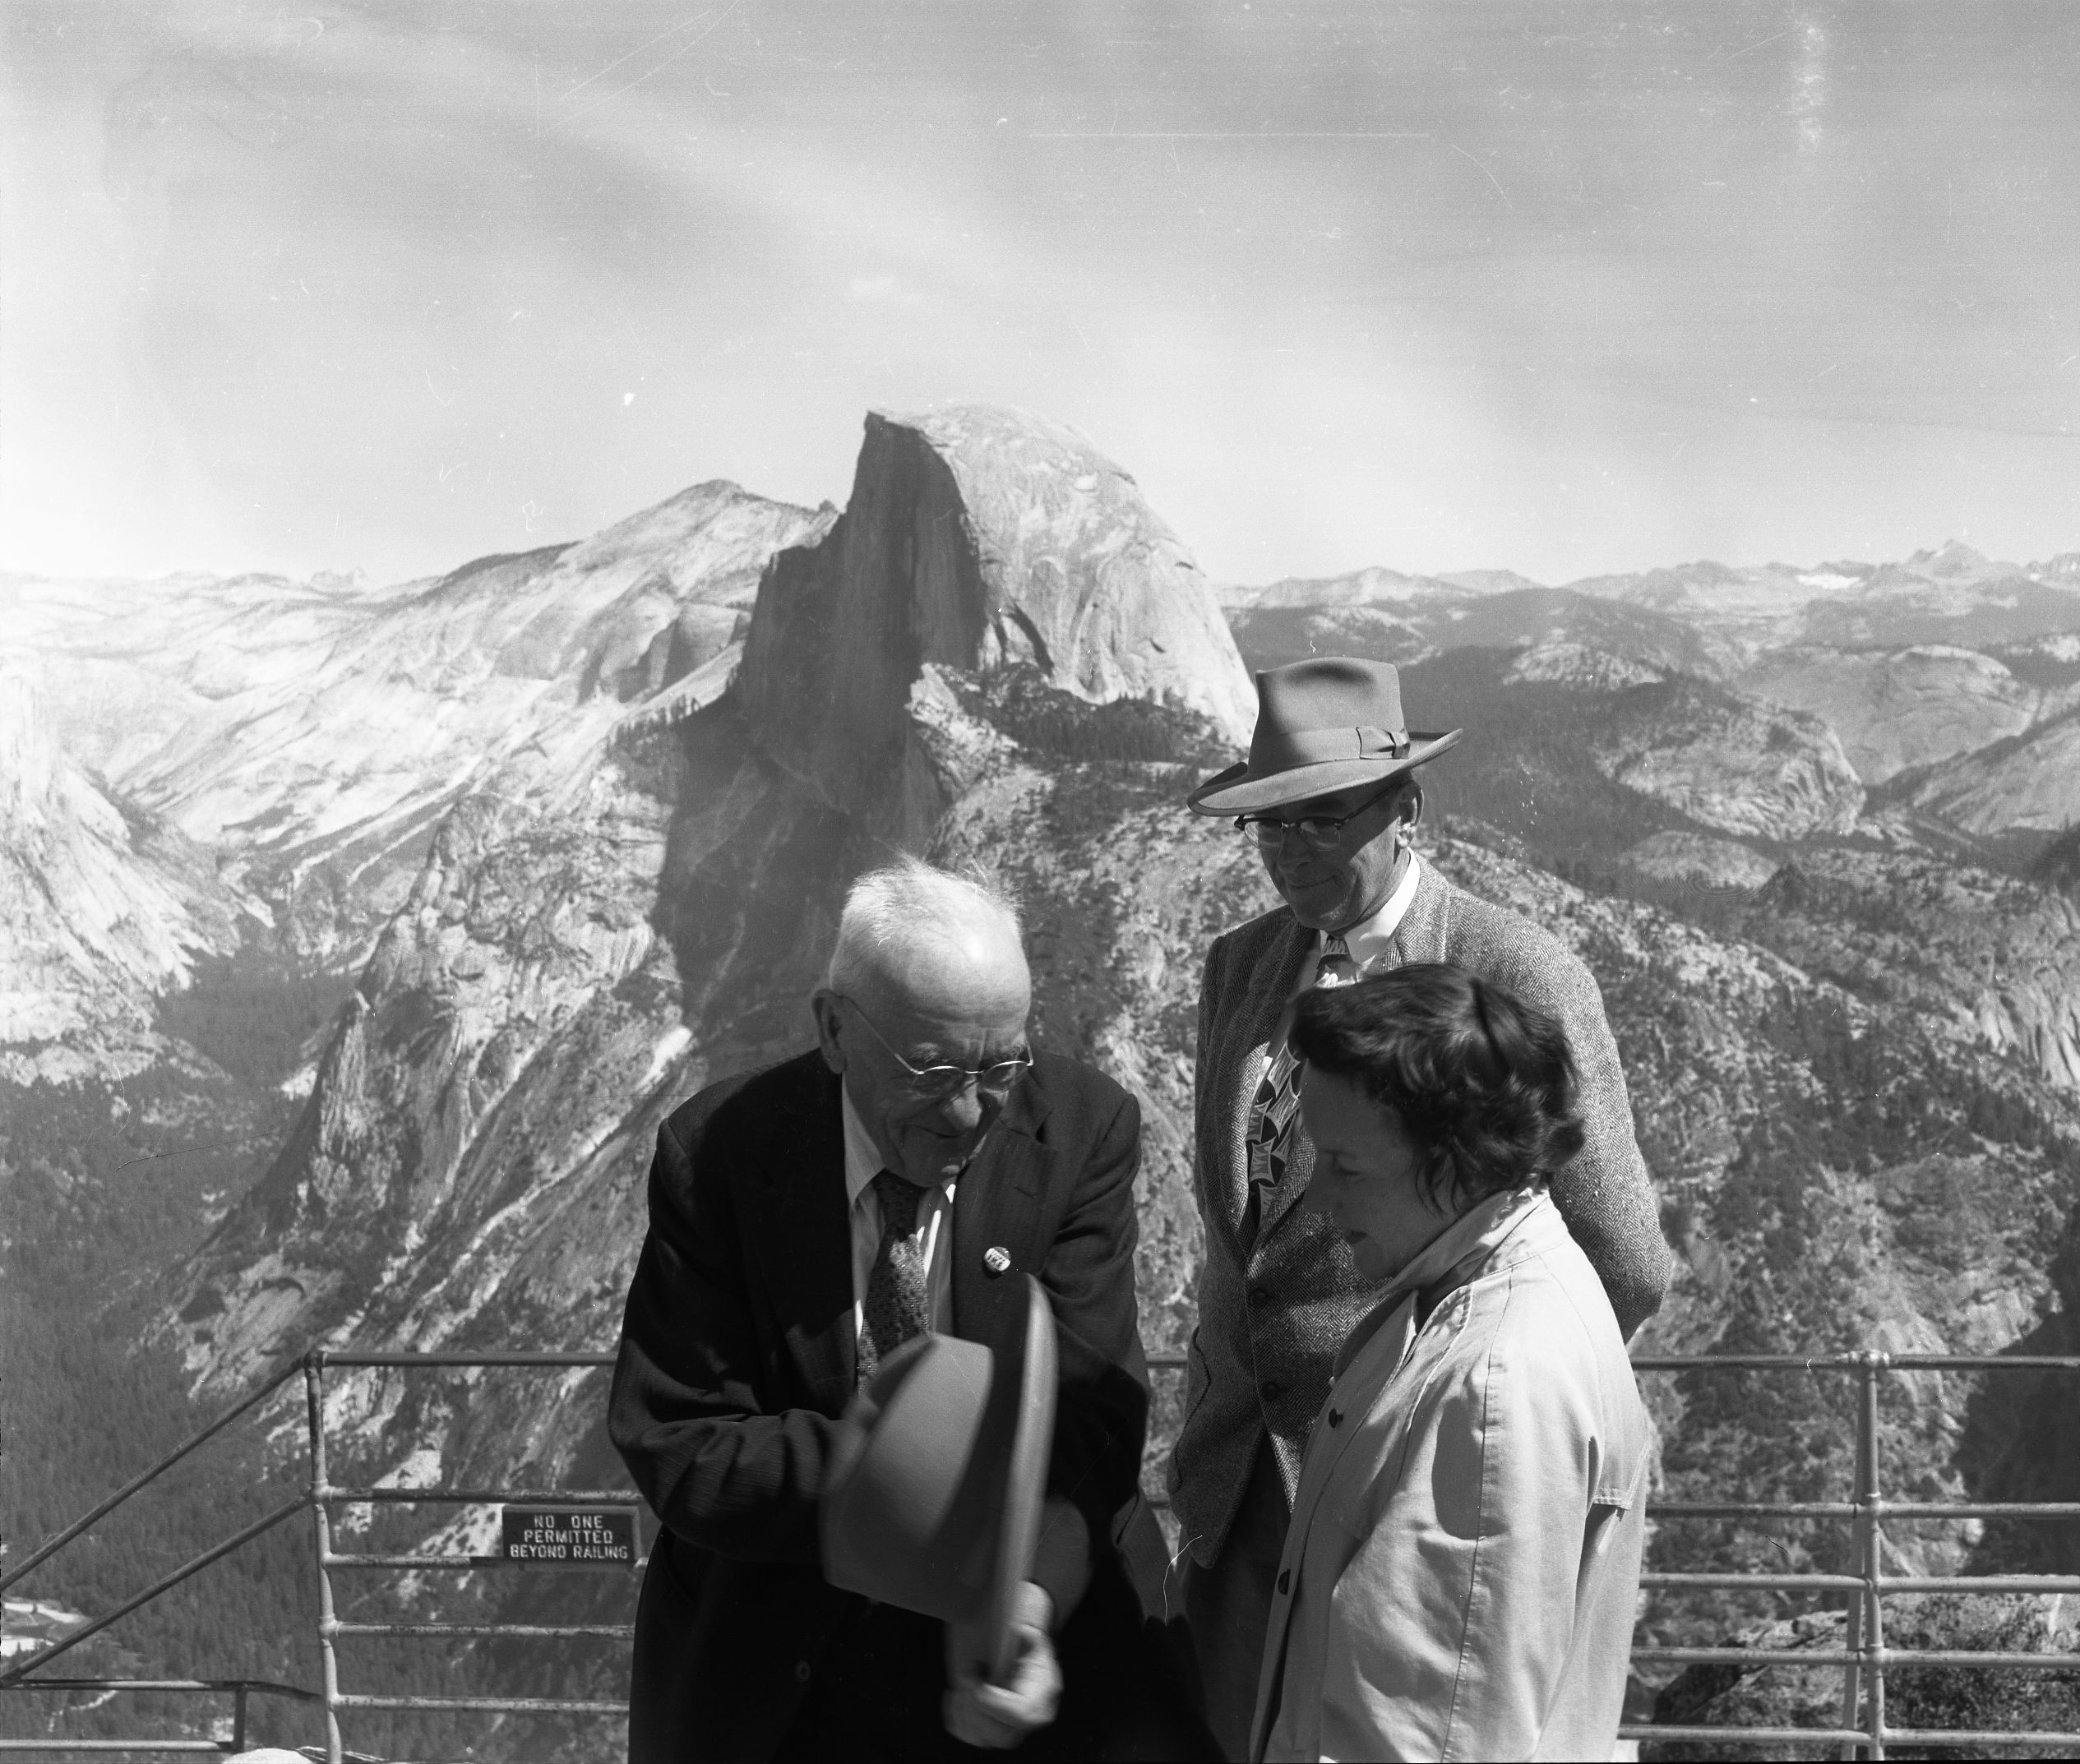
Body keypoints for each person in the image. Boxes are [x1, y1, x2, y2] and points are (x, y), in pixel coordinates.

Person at [1173, 656, 1670, 1757]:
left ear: (1407, 810)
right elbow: (1238, 1235)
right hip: (1237, 1492)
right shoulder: (1240, 967)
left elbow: (1621, 1257)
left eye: (1320, 821)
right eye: (1267, 827)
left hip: (1416, 1489)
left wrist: (1465, 1405)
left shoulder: (1512, 971)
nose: (1290, 854)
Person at [608, 857, 1209, 1762]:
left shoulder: (1081, 1127)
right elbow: (679, 1435)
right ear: (834, 1029)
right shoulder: (723, 1154)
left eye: (1001, 1063)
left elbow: (1092, 1408)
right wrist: (921, 1485)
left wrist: (1024, 1600)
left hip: (1039, 1648)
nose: (972, 1110)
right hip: (787, 1664)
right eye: (931, 1068)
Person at [1250, 963, 1650, 1761]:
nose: (1320, 1199)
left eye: (1346, 1164)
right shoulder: (1458, 1290)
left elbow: (1421, 1740)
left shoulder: (1493, 1386)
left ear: (1455, 1156)